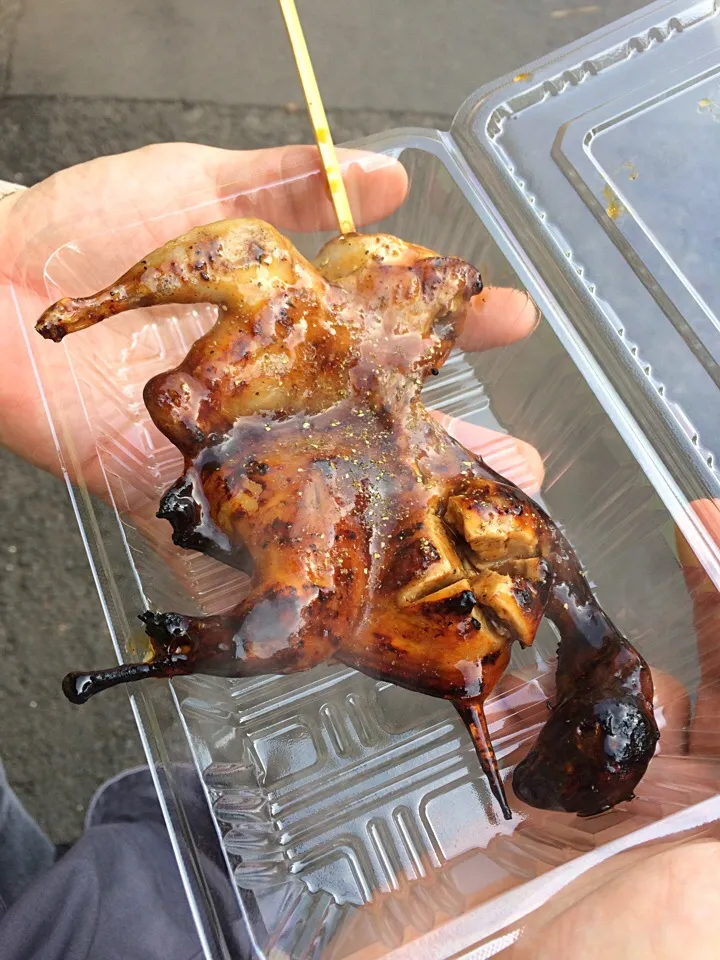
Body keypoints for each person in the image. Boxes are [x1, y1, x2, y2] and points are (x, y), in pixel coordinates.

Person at [0, 143, 718, 959]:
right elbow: (294, 618)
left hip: (358, 488)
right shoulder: (272, 402)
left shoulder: (375, 387)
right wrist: (54, 288)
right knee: (313, 606)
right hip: (305, 478)